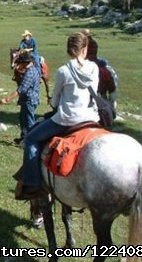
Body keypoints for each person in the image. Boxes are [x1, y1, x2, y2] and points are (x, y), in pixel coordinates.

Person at [15, 31, 99, 200]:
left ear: (68, 49)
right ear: (85, 49)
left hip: (67, 120)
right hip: (91, 118)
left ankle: (33, 183)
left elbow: (55, 101)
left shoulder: (63, 71)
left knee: (31, 138)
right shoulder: (94, 68)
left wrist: (53, 103)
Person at [1, 51, 41, 144]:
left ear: (25, 63)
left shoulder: (30, 73)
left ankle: (31, 142)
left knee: (29, 122)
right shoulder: (31, 69)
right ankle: (23, 138)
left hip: (30, 100)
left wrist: (7, 99)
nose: (19, 65)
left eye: (20, 63)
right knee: (23, 119)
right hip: (26, 100)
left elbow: (21, 89)